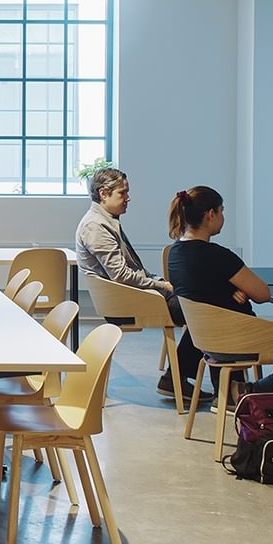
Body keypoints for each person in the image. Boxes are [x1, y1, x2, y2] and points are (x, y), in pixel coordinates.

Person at [167, 185, 273, 395]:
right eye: (222, 211)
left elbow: (204, 291)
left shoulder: (175, 253)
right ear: (210, 214)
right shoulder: (219, 256)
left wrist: (231, 289)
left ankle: (237, 392)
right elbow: (262, 294)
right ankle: (252, 391)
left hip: (207, 341)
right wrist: (236, 288)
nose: (223, 217)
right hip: (240, 339)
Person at [74, 166, 196, 401]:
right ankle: (180, 378)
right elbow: (120, 274)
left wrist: (157, 281)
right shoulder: (95, 226)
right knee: (202, 312)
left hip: (132, 296)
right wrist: (161, 286)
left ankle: (178, 376)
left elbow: (129, 270)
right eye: (123, 193)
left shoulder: (105, 221)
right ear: (103, 194)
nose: (128, 198)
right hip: (125, 302)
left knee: (198, 305)